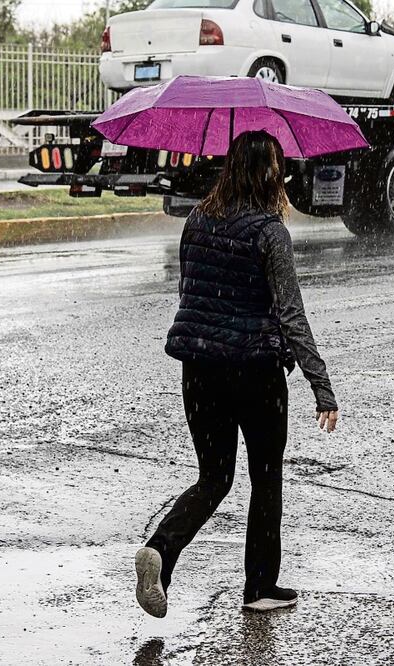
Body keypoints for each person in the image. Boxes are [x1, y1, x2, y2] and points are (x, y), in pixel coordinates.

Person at [135, 131, 339, 617]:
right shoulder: (270, 232)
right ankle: (259, 587)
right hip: (255, 371)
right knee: (265, 477)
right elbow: (291, 314)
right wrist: (321, 386)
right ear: (268, 174)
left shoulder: (197, 219)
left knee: (213, 477)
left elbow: (191, 292)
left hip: (200, 367)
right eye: (277, 167)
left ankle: (161, 550)